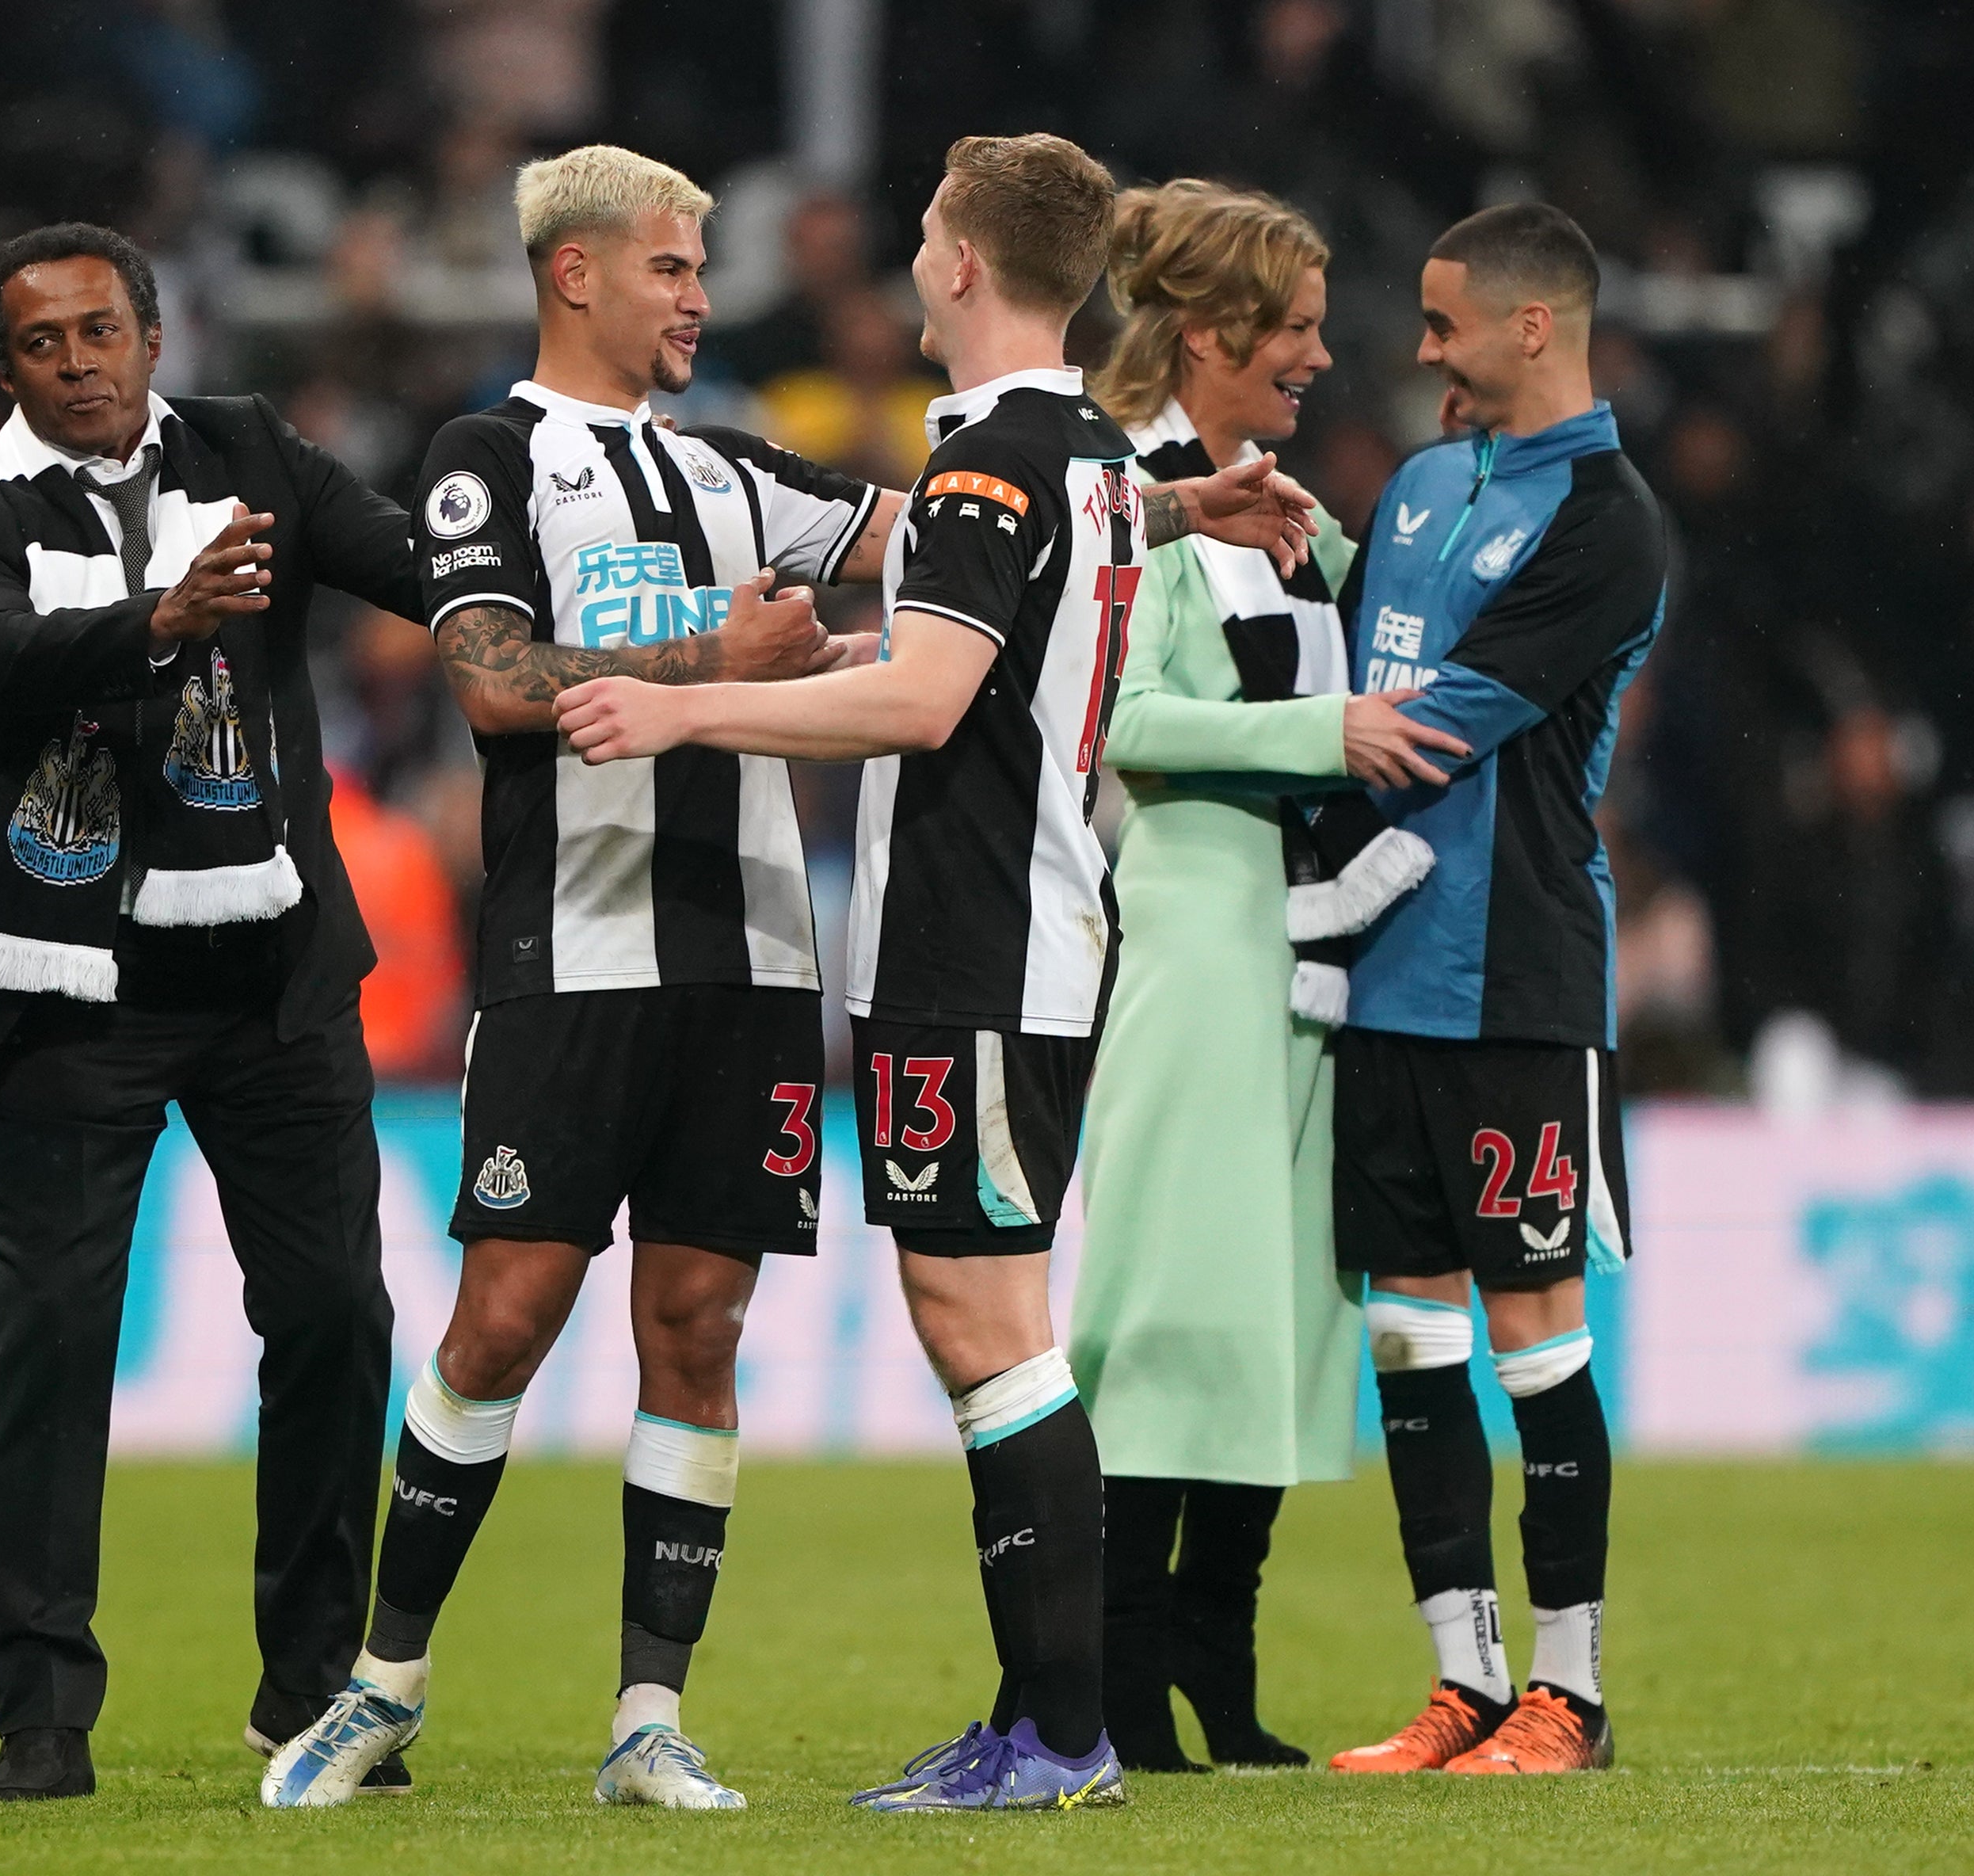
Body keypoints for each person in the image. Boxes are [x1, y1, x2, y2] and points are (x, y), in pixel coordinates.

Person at [552, 133, 1407, 1813]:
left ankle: (1062, 1731)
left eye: (927, 236)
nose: (914, 261)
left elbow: (927, 700)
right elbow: (992, 656)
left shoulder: (991, 469)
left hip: (976, 946)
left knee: (988, 1326)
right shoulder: (1088, 458)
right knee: (992, 1319)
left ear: (955, 264)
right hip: (1036, 940)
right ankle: (1037, 1719)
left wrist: (681, 705)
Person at [261, 146, 896, 1813]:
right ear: (577, 275)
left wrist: (1164, 503)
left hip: (756, 958)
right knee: (505, 1317)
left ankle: (646, 1716)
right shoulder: (488, 458)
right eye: (675, 267)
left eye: (701, 268)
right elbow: (487, 681)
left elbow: (963, 538)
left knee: (698, 1321)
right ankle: (381, 1684)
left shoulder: (746, 467)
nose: (700, 294)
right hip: (574, 955)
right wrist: (713, 659)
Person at [0, 222, 425, 1802]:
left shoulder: (258, 455)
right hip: (69, 993)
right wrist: (161, 625)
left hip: (266, 977)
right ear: (6, 370)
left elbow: (406, 559)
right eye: (43, 343)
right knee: (50, 1341)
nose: (79, 361)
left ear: (153, 333)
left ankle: (313, 1684)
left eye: (101, 329)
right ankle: (42, 1713)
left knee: (335, 1314)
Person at [1070, 181, 1458, 1774]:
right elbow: (1122, 721)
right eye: (1292, 327)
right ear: (1213, 330)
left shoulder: (1273, 507)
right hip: (1183, 947)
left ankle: (1212, 1672)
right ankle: (1109, 1677)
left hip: (1302, 963)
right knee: (1168, 1321)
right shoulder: (1125, 499)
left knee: (1271, 1321)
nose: (1315, 354)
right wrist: (1322, 733)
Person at [1324, 203, 1667, 1777]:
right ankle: (1460, 1678)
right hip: (1384, 981)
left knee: (1536, 1341)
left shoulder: (1607, 520)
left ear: (1534, 326)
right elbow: (1350, 670)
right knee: (1410, 1340)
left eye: (1445, 321)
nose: (1422, 350)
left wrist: (1302, 790)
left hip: (1514, 974)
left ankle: (1571, 1693)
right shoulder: (1410, 490)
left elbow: (1438, 720)